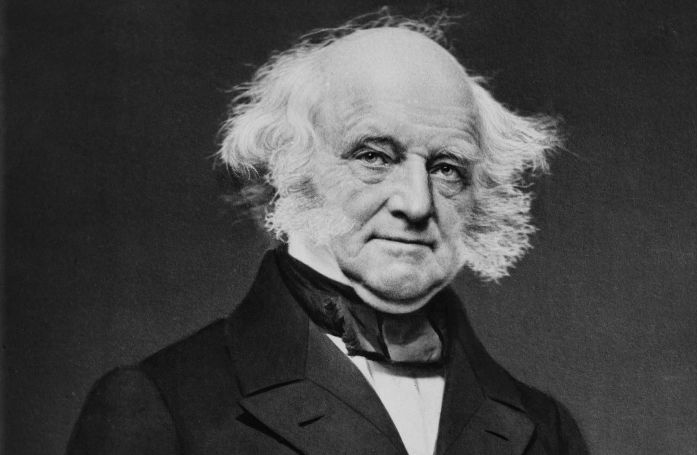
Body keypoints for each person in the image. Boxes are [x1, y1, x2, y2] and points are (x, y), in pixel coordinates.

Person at [67, 12, 588, 455]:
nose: (416, 203)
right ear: (287, 170)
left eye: (446, 168)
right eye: (373, 156)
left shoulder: (547, 431)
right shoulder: (160, 405)